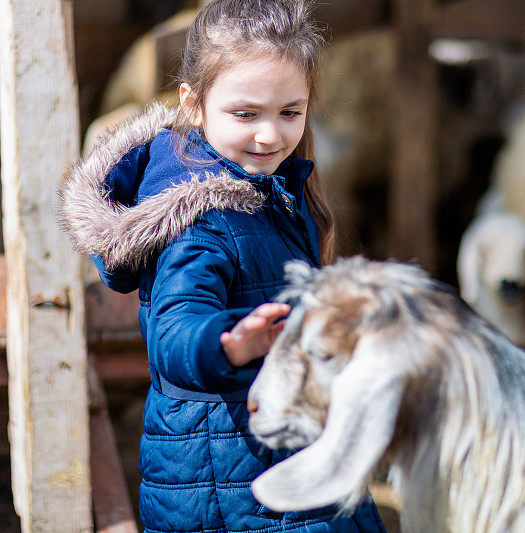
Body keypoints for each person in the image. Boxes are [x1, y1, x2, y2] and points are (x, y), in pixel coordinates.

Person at [59, 1, 387, 531]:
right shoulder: (198, 219)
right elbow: (174, 326)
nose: (270, 135)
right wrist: (227, 342)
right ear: (193, 104)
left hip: (273, 445)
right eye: (245, 114)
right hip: (225, 480)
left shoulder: (273, 191)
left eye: (290, 112)